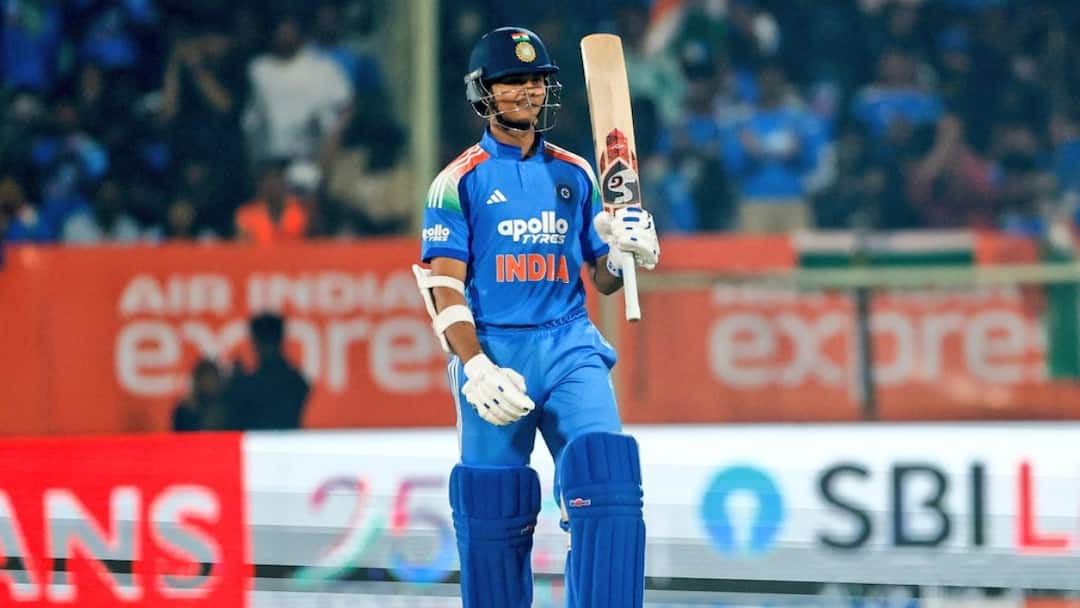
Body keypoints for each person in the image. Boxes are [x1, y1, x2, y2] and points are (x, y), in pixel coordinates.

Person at [413, 27, 659, 608]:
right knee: (493, 513)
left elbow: (602, 277)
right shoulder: (458, 182)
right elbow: (443, 286)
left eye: (537, 81)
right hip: (496, 354)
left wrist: (625, 251)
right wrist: (475, 367)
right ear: (483, 92)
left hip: (570, 344)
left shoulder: (576, 174)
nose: (528, 91)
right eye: (513, 81)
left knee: (608, 479)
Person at [227, 313, 310, 430]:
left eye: (256, 342)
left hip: (266, 440)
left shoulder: (292, 383)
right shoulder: (297, 380)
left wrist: (237, 383)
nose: (255, 348)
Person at [172, 358, 231, 432]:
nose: (208, 383)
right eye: (205, 379)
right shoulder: (185, 411)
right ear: (198, 381)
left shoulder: (227, 409)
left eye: (212, 379)